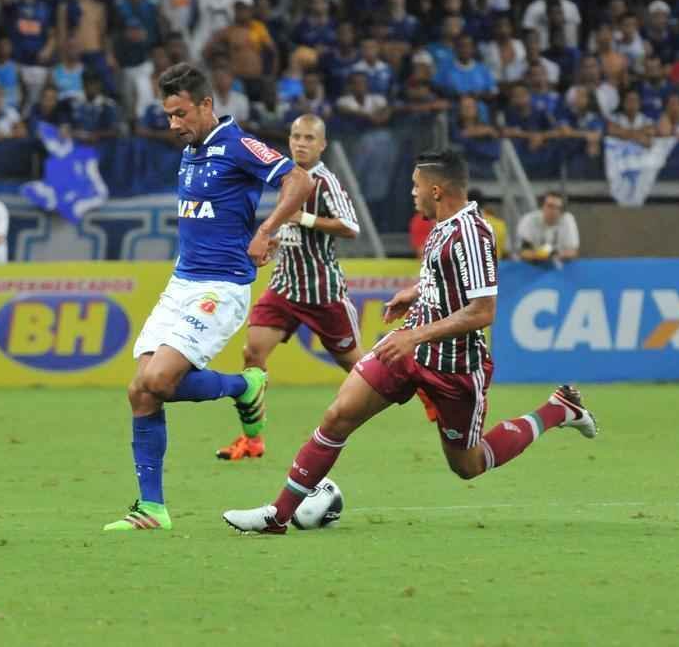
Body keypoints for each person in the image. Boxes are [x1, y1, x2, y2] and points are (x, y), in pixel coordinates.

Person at [222, 151, 597, 534]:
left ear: (436, 190)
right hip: (407, 350)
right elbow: (447, 279)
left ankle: (557, 409)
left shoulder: (473, 233)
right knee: (338, 416)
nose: (411, 192)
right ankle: (278, 516)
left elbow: (483, 311)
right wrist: (415, 293)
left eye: (416, 185)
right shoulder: (441, 224)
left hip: (454, 368)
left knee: (468, 464)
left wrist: (416, 334)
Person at [105, 63, 312, 532]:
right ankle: (152, 509)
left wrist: (266, 229)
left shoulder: (237, 144)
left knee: (158, 380)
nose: (174, 125)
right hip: (181, 284)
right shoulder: (192, 151)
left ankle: (245, 386)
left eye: (181, 114)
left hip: (221, 288)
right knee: (140, 391)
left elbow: (299, 181)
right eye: (168, 116)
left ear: (206, 105)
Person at [215, 115, 361, 461]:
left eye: (309, 138)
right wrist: (277, 241)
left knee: (358, 368)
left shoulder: (325, 183)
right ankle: (253, 438)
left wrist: (303, 218)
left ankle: (421, 390)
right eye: (296, 136)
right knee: (252, 354)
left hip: (322, 293)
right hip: (284, 288)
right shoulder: (285, 177)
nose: (301, 143)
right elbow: (294, 230)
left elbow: (351, 227)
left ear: (322, 145)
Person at [516, 191, 579, 264]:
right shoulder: (528, 220)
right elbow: (523, 252)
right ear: (542, 206)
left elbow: (573, 252)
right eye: (550, 206)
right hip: (531, 265)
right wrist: (540, 255)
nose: (553, 211)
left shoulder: (568, 220)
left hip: (558, 263)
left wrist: (556, 255)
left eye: (558, 208)